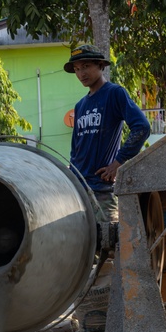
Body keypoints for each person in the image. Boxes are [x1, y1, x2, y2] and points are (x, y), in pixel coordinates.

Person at [65, 43, 151, 223]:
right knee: (84, 248)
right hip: (78, 190)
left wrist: (118, 162)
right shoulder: (80, 105)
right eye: (77, 69)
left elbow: (142, 127)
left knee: (108, 244)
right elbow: (76, 147)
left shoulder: (114, 93)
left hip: (102, 189)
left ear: (101, 66)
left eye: (86, 66)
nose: (81, 74)